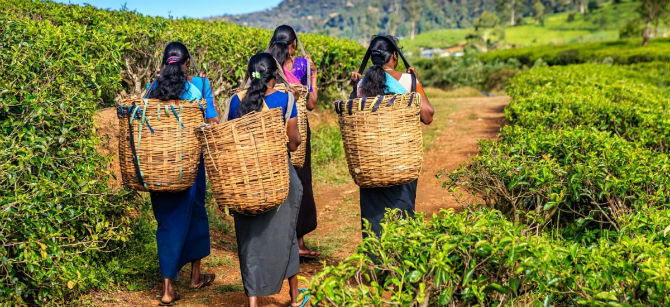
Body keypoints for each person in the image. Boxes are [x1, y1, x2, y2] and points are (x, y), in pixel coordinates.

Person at [227, 52, 308, 307]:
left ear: (250, 75)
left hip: (245, 180)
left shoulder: (235, 101)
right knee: (287, 235)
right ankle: (295, 297)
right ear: (275, 76)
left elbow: (229, 140)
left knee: (250, 241)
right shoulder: (285, 100)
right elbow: (294, 143)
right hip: (278, 178)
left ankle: (253, 301)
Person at [146, 42, 219, 306]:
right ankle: (195, 276)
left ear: (165, 63)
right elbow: (212, 122)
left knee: (166, 222)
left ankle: (167, 288)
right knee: (196, 213)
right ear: (187, 63)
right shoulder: (200, 85)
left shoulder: (151, 88)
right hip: (189, 165)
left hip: (158, 166)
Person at [350, 35, 434, 238]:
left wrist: (355, 85)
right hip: (401, 160)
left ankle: (375, 261)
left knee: (373, 217)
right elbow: (428, 115)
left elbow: (352, 114)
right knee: (403, 212)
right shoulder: (408, 81)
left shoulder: (362, 85)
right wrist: (417, 83)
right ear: (394, 56)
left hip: (371, 161)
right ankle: (402, 260)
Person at [267, 25, 320, 258]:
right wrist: (314, 77)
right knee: (301, 184)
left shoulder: (264, 64)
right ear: (294, 45)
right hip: (296, 128)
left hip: (268, 128)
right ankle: (298, 242)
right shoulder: (302, 65)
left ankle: (277, 243)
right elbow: (310, 104)